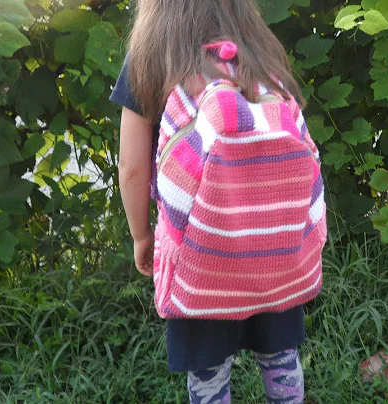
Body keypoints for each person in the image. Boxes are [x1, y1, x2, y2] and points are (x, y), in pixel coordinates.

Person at [111, 1, 317, 403]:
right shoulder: (257, 46)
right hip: (274, 243)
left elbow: (131, 166)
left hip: (199, 251)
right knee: (280, 352)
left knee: (207, 368)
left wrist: (141, 235)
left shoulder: (153, 52)